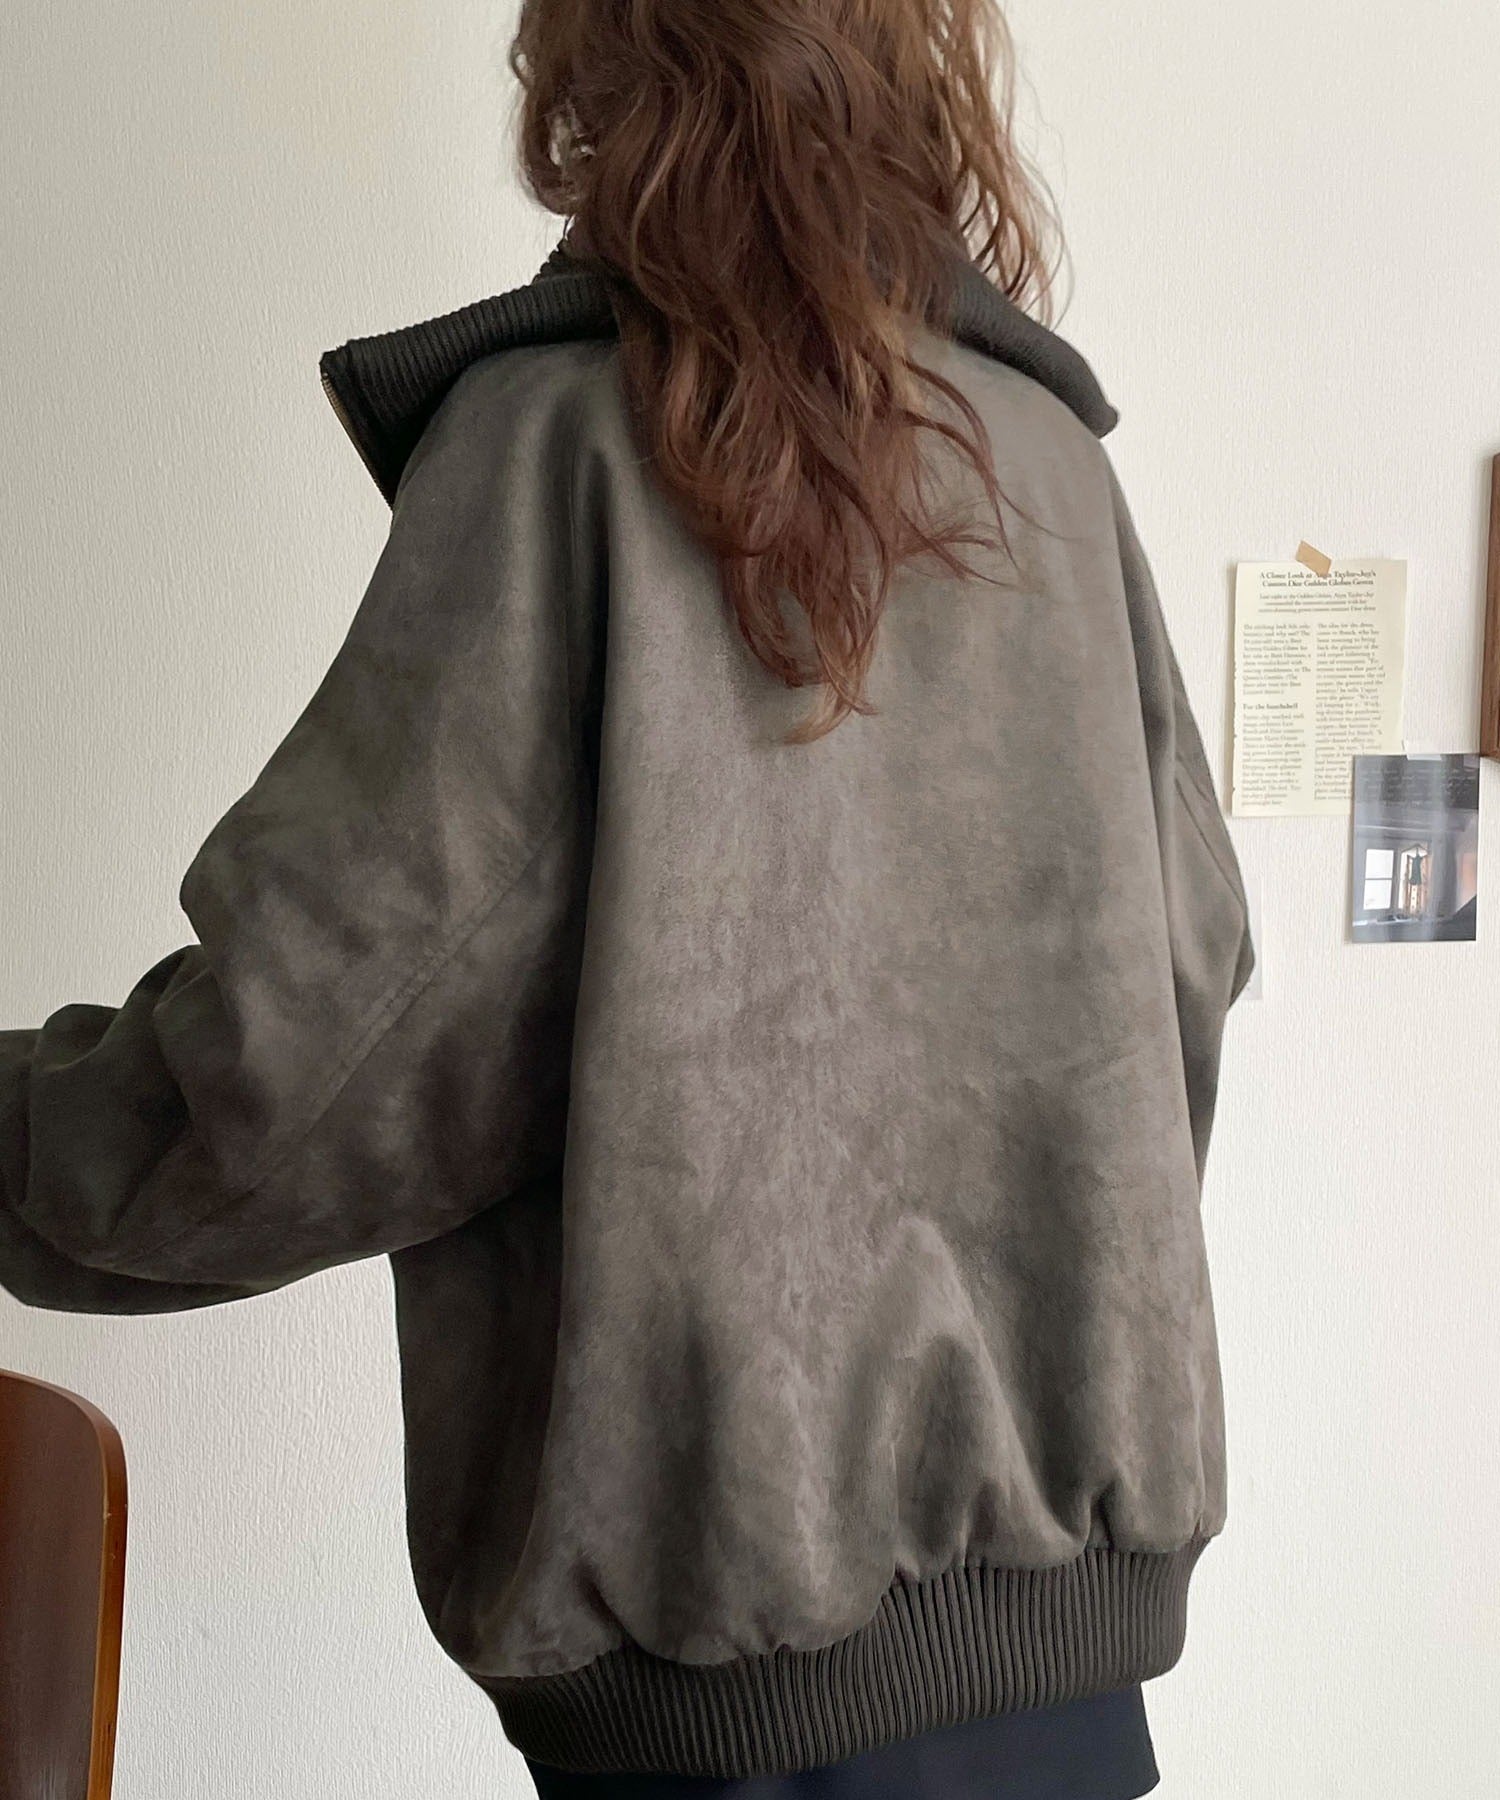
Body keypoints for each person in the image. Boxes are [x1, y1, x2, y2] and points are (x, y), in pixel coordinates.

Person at [0, 0, 1255, 1794]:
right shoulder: (1047, 459)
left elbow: (307, 1062)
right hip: (1074, 1720)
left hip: (726, 1725)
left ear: (595, 58)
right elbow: (1188, 970)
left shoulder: (565, 445)